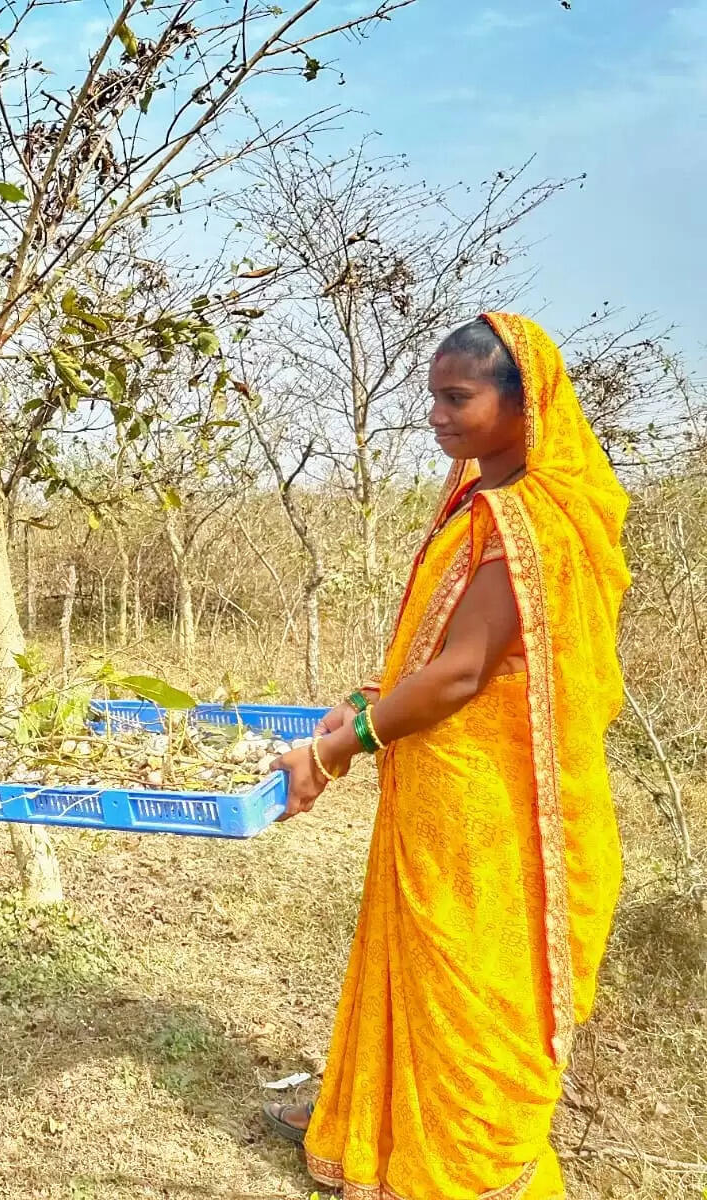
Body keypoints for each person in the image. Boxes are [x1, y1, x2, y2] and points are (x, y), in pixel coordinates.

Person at [263, 314, 630, 1199]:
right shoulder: (476, 505)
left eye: (457, 397)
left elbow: (463, 673)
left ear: (523, 402)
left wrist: (334, 747)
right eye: (432, 396)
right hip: (435, 785)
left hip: (487, 807)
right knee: (419, 968)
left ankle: (465, 1170)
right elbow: (434, 655)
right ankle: (379, 1130)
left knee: (470, 985)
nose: (436, 414)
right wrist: (362, 707)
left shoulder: (528, 522)